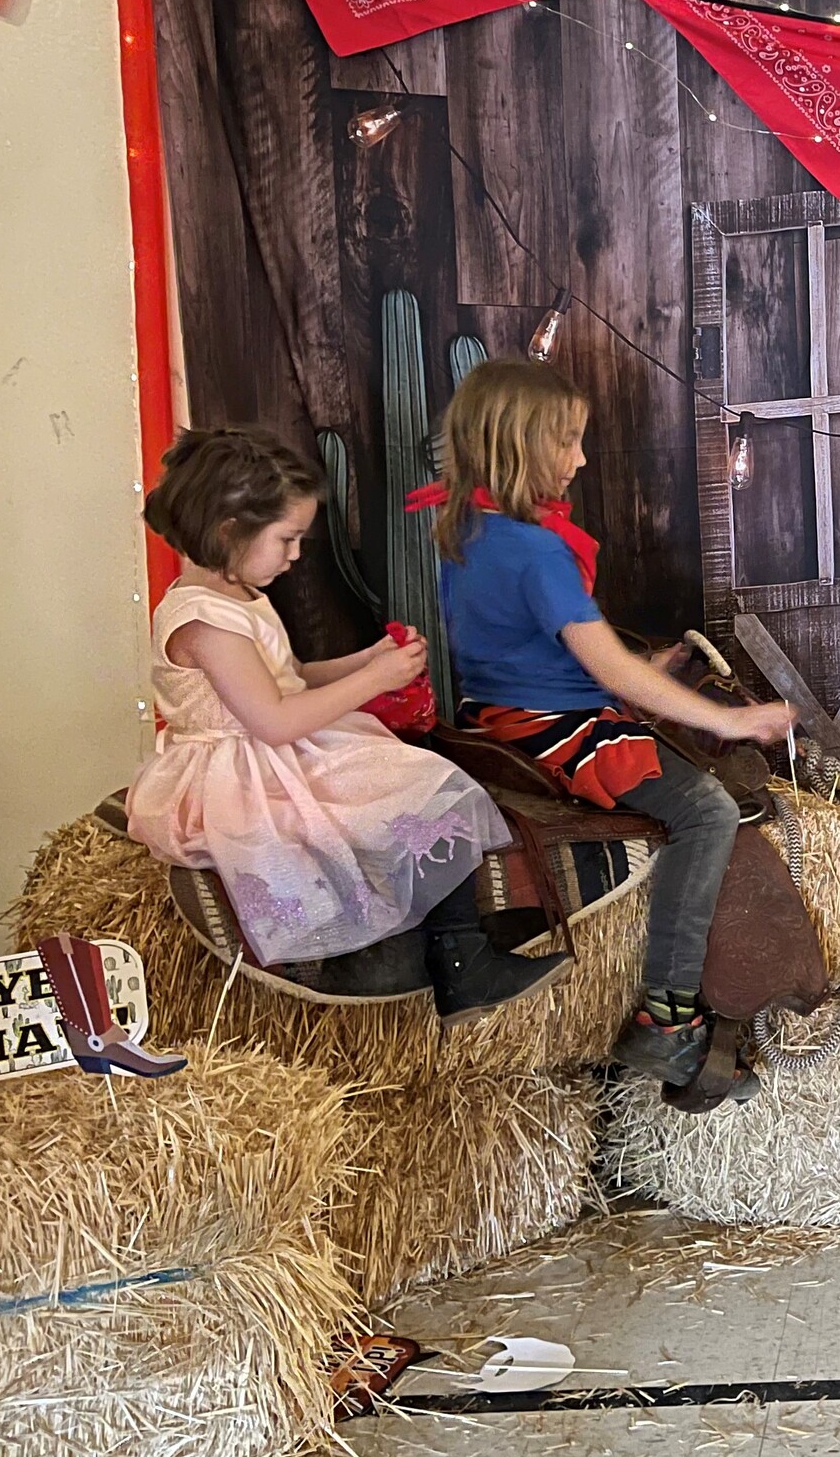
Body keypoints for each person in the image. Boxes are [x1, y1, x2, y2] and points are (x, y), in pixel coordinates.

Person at [431, 359, 793, 1095]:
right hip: (555, 727)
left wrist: (644, 664)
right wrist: (735, 718)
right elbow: (614, 676)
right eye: (567, 442)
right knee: (707, 812)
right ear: (523, 443)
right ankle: (669, 1018)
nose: (581, 459)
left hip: (493, 717)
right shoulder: (537, 552)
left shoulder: (469, 530)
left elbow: (532, 645)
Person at [127, 427, 564, 1021]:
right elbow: (275, 720)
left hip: (270, 746)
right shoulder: (206, 621)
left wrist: (368, 661)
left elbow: (291, 676)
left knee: (418, 779)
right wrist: (375, 683)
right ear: (229, 531)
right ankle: (461, 963)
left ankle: (457, 950)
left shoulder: (238, 596)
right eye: (286, 539)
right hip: (243, 771)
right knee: (426, 791)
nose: (295, 555)